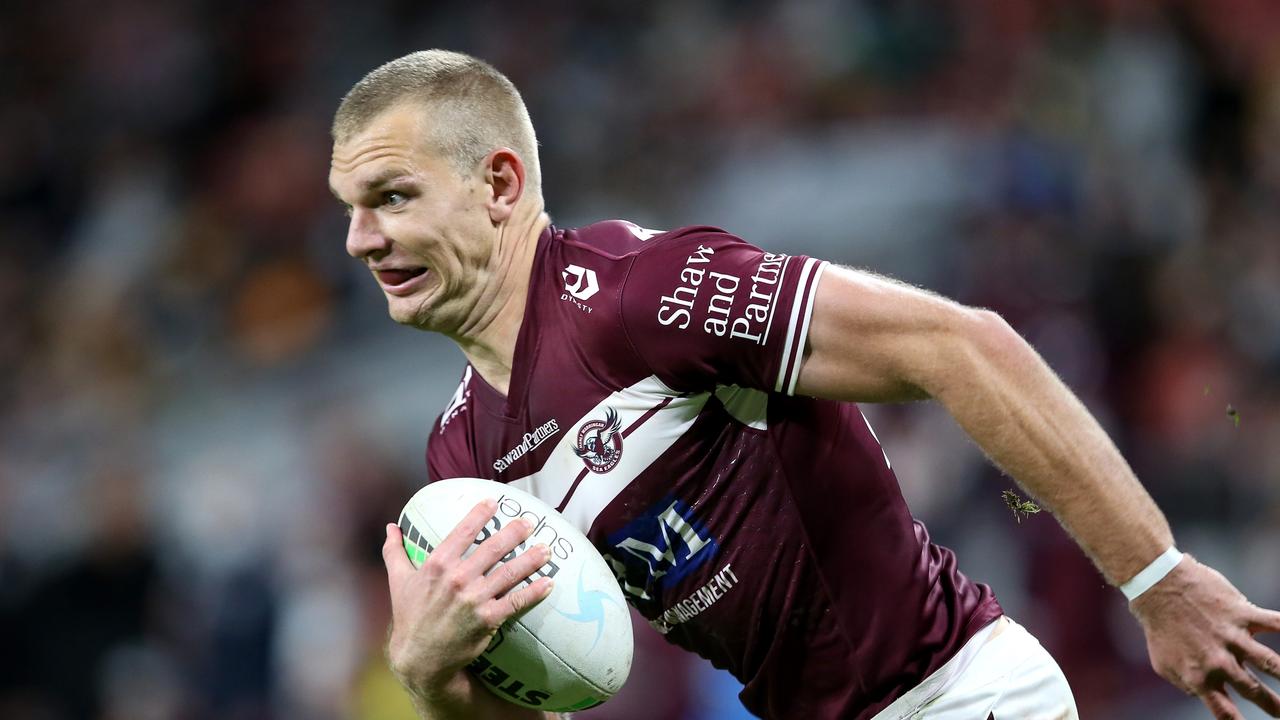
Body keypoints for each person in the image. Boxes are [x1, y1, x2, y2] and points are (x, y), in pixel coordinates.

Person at [328, 50, 1280, 720]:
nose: (360, 241)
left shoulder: (642, 296)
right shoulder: (459, 460)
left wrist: (1159, 582)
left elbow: (963, 345)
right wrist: (430, 676)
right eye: (351, 210)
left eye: (392, 197)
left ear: (500, 185)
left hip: (954, 696)